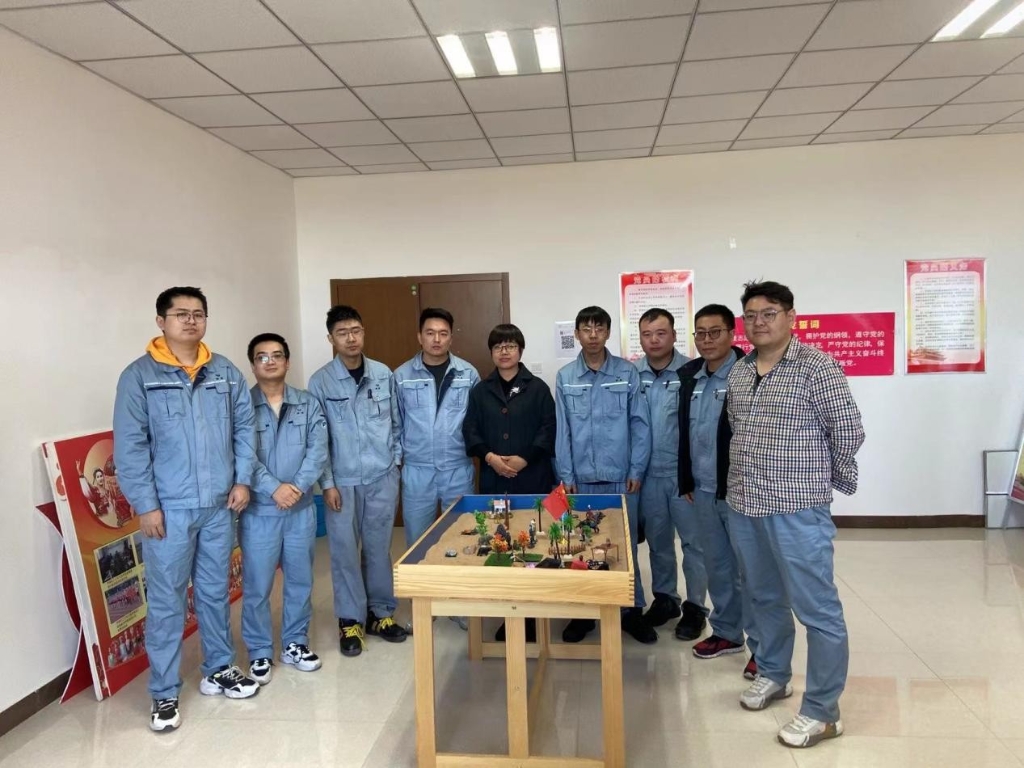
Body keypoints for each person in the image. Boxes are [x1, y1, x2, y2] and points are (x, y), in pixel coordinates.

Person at [113, 286, 259, 734]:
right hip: (169, 511)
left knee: (215, 592)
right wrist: (146, 505)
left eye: (198, 313)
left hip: (219, 506)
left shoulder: (225, 372)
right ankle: (164, 692)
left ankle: (219, 667)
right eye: (180, 314)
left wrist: (242, 479)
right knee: (167, 601)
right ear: (161, 321)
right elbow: (131, 447)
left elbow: (244, 428)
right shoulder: (139, 377)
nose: (191, 321)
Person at [726, 281, 865, 749]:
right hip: (745, 503)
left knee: (816, 607)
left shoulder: (817, 366)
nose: (758, 322)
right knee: (763, 596)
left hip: (796, 508)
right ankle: (774, 673)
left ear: (790, 317)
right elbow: (737, 430)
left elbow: (848, 430)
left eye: (769, 313)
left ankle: (823, 711)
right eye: (750, 315)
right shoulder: (741, 371)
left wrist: (818, 481)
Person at [309, 305, 407, 657]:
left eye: (356, 331)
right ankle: (350, 619)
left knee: (379, 549)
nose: (350, 338)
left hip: (382, 477)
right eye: (342, 333)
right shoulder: (320, 381)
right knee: (345, 553)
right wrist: (328, 483)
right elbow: (318, 439)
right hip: (343, 482)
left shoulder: (382, 374)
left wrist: (395, 463)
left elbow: (396, 424)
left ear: (363, 332)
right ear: (331, 338)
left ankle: (380, 613)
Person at [554, 306, 652, 644]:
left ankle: (631, 611)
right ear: (577, 334)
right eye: (586, 328)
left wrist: (637, 468)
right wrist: (566, 475)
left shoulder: (626, 373)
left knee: (624, 548)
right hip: (580, 480)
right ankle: (584, 614)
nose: (593, 335)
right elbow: (563, 431)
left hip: (622, 479)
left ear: (608, 332)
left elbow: (640, 424)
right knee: (581, 546)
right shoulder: (566, 376)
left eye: (599, 328)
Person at [239, 333, 329, 685]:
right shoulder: (241, 406)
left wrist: (297, 487)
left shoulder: (308, 403)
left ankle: (295, 643)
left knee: (300, 580)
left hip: (300, 509)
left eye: (277, 355)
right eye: (262, 356)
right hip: (259, 511)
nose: (270, 361)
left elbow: (318, 451)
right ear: (253, 364)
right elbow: (242, 455)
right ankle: (260, 650)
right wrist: (273, 488)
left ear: (287, 362)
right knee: (257, 585)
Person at [677, 304, 758, 679]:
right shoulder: (690, 376)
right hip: (703, 490)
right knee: (718, 566)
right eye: (701, 333)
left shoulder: (748, 373)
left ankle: (764, 647)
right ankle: (727, 633)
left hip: (739, 490)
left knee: (752, 572)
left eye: (715, 332)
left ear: (731, 334)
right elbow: (684, 432)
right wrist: (686, 479)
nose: (707, 340)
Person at [462, 323, 556, 643]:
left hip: (531, 477)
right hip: (494, 479)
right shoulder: (480, 391)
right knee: (502, 542)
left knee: (532, 543)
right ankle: (508, 610)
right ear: (491, 352)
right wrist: (490, 458)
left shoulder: (538, 388)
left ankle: (532, 614)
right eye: (498, 346)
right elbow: (470, 431)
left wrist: (525, 458)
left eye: (511, 346)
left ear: (520, 350)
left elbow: (548, 429)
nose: (504, 351)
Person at [634, 308, 708, 640]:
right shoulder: (632, 374)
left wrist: (693, 474)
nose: (654, 340)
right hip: (648, 476)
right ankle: (666, 599)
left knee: (693, 544)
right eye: (647, 334)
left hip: (683, 477)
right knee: (658, 543)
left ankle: (696, 607)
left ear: (674, 335)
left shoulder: (692, 372)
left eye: (661, 333)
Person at [394, 308, 480, 547]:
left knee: (464, 539)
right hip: (418, 470)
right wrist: (397, 461)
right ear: (419, 336)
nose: (437, 339)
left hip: (457, 468)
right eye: (430, 333)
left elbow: (476, 421)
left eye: (443, 333)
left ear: (451, 337)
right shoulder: (402, 375)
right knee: (417, 541)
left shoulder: (468, 374)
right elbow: (395, 423)